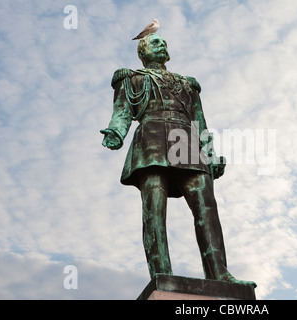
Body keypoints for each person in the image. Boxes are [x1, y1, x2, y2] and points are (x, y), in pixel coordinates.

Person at [101, 33, 255, 287]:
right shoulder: (132, 78)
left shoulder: (188, 84)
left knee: (206, 207)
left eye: (164, 42)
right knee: (154, 211)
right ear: (143, 51)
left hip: (186, 138)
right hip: (151, 136)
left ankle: (220, 273)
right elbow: (122, 112)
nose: (163, 44)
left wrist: (211, 153)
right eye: (155, 42)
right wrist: (116, 132)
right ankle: (162, 274)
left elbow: (199, 120)